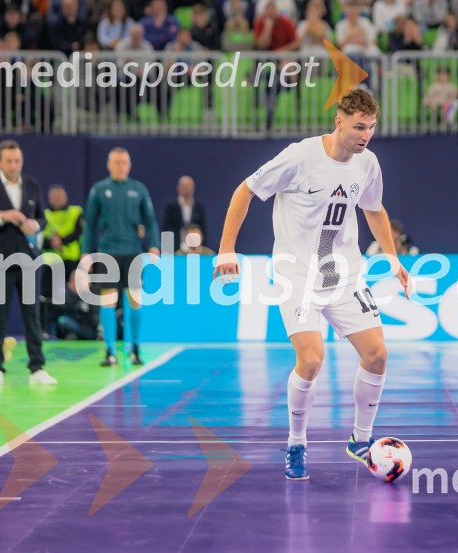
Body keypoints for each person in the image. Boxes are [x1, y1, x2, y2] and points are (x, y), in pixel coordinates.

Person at [214, 88, 411, 480]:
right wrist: (225, 250)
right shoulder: (300, 156)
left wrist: (392, 257)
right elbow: (245, 191)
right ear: (339, 122)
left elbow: (374, 209)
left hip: (344, 273)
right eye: (359, 127)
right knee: (311, 360)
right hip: (297, 274)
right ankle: (296, 443)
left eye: (371, 127)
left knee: (377, 354)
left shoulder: (368, 163)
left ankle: (360, 440)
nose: (366, 135)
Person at [0, 140, 57, 386]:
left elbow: (42, 218)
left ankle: (37, 367)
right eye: (8, 161)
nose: (13, 165)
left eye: (17, 160)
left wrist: (35, 225)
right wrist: (2, 217)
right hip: (0, 260)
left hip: (28, 260)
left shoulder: (32, 185)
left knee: (32, 315)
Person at [82, 147, 160, 367]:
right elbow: (90, 223)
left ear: (129, 164)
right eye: (116, 162)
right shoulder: (99, 189)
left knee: (135, 300)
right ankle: (110, 351)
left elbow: (150, 220)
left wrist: (154, 245)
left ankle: (135, 348)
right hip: (108, 251)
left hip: (133, 251)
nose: (120, 166)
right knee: (108, 300)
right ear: (109, 164)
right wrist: (86, 252)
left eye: (124, 162)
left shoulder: (139, 189)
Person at [40, 184, 84, 337]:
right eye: (55, 197)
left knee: (73, 297)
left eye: (60, 196)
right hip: (51, 263)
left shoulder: (75, 212)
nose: (58, 199)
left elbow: (79, 232)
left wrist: (61, 241)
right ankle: (45, 330)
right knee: (47, 298)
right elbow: (38, 237)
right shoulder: (44, 215)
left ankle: (72, 330)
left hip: (71, 262)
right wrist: (51, 243)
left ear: (66, 197)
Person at [163, 175, 207, 252]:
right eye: (184, 186)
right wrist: (167, 250)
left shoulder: (199, 207)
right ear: (178, 188)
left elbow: (203, 228)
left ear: (193, 188)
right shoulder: (171, 207)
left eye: (189, 186)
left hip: (195, 248)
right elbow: (167, 228)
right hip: (175, 247)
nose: (186, 188)